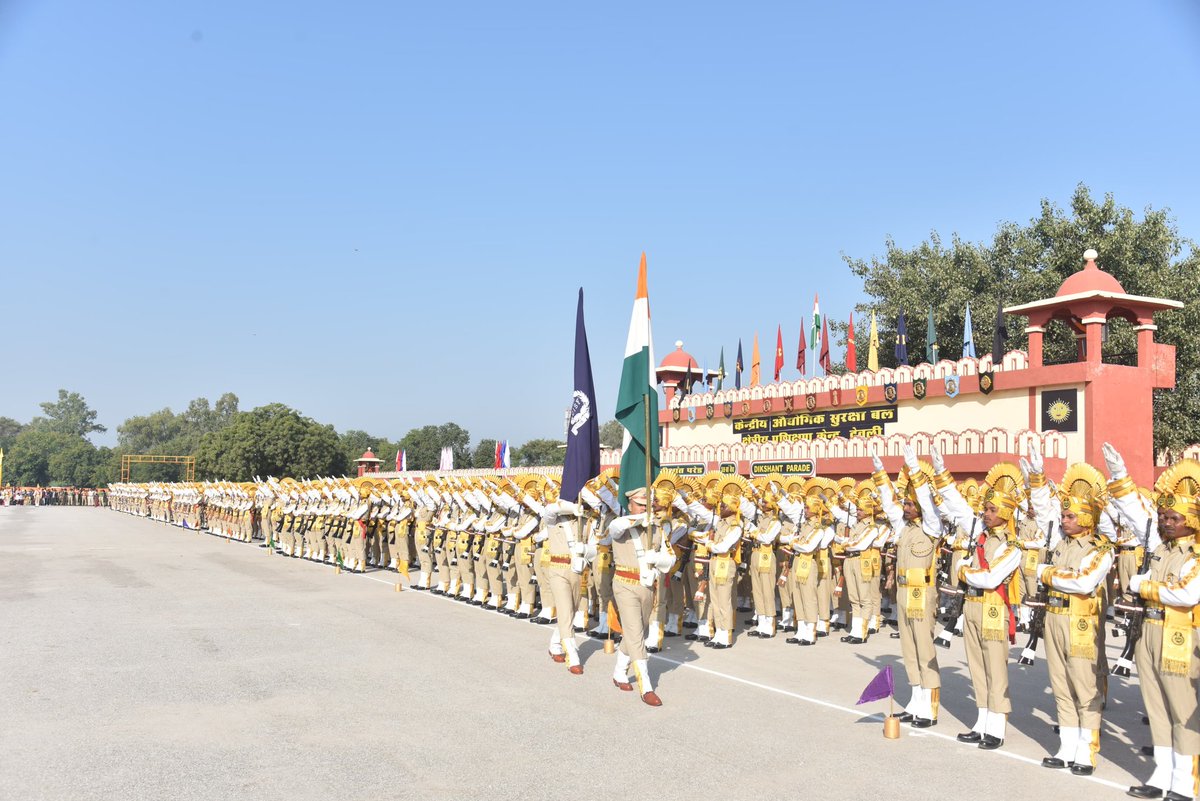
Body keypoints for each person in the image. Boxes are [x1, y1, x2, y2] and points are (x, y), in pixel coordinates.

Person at [1106, 444, 1200, 801]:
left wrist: (1142, 585)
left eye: (1172, 519)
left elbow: (1186, 594)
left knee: (1181, 708)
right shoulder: (1158, 548)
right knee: (1156, 707)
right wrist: (1119, 475)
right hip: (1148, 629)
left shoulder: (1196, 554)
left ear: (1189, 522)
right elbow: (1133, 512)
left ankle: (1186, 782)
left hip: (1179, 635)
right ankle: (1163, 775)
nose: (1164, 522)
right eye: (1163, 517)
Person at [1027, 451, 1113, 776]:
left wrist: (1049, 574)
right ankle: (1067, 745)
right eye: (1064, 516)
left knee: (1084, 687)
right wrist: (1038, 475)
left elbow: (1083, 582)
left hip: (1079, 623)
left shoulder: (1101, 550)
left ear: (1088, 518)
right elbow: (1054, 573)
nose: (1064, 520)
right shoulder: (1060, 545)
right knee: (1060, 685)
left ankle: (1087, 751)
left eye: (1071, 517)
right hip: (1053, 618)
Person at [875, 446, 943, 728]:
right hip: (903, 592)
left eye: (910, 505)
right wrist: (881, 477)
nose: (905, 508)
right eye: (906, 504)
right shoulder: (905, 529)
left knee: (924, 649)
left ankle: (930, 708)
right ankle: (916, 702)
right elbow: (890, 509)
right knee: (909, 649)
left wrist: (915, 473)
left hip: (922, 593)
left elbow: (928, 506)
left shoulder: (932, 527)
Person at [603, 485, 674, 706]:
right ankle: (646, 686)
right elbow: (616, 528)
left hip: (647, 585)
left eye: (647, 505)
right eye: (640, 505)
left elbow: (670, 559)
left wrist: (657, 557)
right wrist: (640, 519)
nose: (644, 509)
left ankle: (619, 672)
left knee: (637, 631)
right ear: (630, 504)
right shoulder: (619, 523)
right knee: (635, 632)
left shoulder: (657, 528)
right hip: (624, 584)